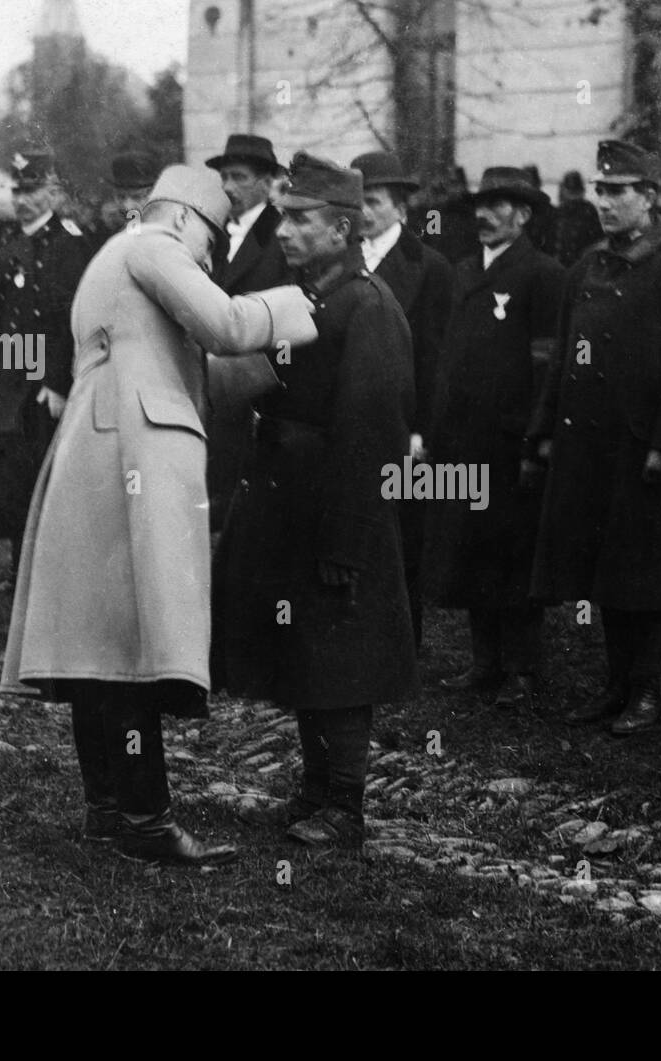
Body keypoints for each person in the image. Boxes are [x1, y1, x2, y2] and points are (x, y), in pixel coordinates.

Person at [0, 165, 317, 863]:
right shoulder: (154, 245)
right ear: (180, 216)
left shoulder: (112, 259)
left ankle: (107, 810)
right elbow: (227, 325)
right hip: (134, 451)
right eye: (211, 237)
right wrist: (305, 305)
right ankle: (147, 822)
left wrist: (271, 369)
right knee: (135, 644)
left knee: (96, 642)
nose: (211, 255)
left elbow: (179, 362)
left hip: (94, 446)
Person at [212, 153, 417, 849]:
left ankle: (347, 804)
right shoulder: (303, 297)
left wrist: (347, 536)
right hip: (290, 505)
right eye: (286, 217)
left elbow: (371, 434)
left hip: (336, 509)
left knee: (343, 653)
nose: (287, 231)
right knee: (306, 649)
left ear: (342, 228)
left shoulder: (368, 306)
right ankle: (313, 788)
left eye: (301, 220)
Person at [529, 140, 661, 734]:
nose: (605, 203)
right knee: (605, 567)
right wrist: (544, 431)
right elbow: (563, 356)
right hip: (589, 445)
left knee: (647, 570)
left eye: (618, 192)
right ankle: (615, 685)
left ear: (650, 198)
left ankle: (647, 689)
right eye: (601, 191)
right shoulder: (588, 266)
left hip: (644, 448)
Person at [425, 167, 564, 711]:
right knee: (470, 548)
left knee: (515, 554)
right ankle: (484, 661)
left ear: (524, 215)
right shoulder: (462, 272)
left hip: (512, 443)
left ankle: (524, 668)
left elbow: (546, 366)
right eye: (479, 206)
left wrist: (537, 439)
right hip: (462, 440)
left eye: (498, 205)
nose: (482, 215)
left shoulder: (543, 275)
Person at [0, 147, 92, 593]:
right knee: (11, 478)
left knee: (44, 476)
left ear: (53, 192)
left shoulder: (69, 245)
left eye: (33, 190)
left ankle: (48, 578)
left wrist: (58, 381)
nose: (22, 199)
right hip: (8, 380)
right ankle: (18, 572)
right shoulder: (12, 244)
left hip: (43, 384)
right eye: (18, 190)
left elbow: (71, 318)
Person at [352, 150, 456, 649]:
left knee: (407, 532)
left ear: (399, 207)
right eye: (358, 202)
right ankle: (360, 636)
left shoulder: (429, 267)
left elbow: (436, 357)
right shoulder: (342, 259)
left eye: (372, 201)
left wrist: (420, 430)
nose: (363, 212)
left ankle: (403, 641)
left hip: (404, 423)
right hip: (352, 416)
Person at [202, 134, 295, 532]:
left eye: (238, 177)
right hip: (209, 390)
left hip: (257, 392)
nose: (228, 187)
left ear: (266, 182)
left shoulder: (284, 234)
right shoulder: (213, 233)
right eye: (224, 177)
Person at [90, 149, 162, 251]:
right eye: (121, 197)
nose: (127, 206)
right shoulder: (103, 234)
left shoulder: (171, 234)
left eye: (137, 197)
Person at [553, 170, 605, 267]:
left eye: (574, 192)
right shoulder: (558, 211)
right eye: (571, 192)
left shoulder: (589, 210)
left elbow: (599, 241)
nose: (572, 197)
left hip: (581, 266)